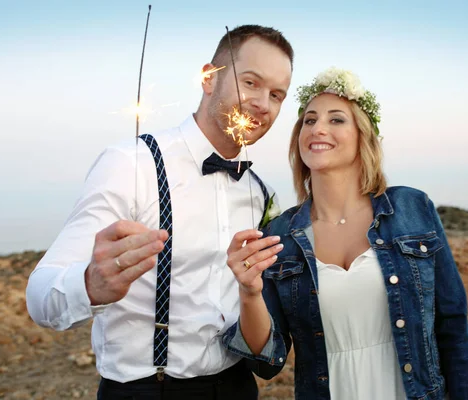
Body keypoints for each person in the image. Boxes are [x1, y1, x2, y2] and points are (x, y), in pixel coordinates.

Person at [25, 24, 294, 400]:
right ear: (208, 78)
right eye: (251, 82)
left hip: (237, 388)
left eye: (277, 94)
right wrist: (89, 285)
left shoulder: (259, 193)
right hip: (147, 391)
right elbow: (40, 296)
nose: (263, 104)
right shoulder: (131, 164)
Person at [222, 67, 468, 399]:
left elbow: (454, 331)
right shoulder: (279, 235)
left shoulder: (412, 208)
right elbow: (266, 362)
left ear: (363, 135)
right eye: (309, 120)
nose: (318, 128)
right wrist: (249, 293)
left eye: (336, 120)